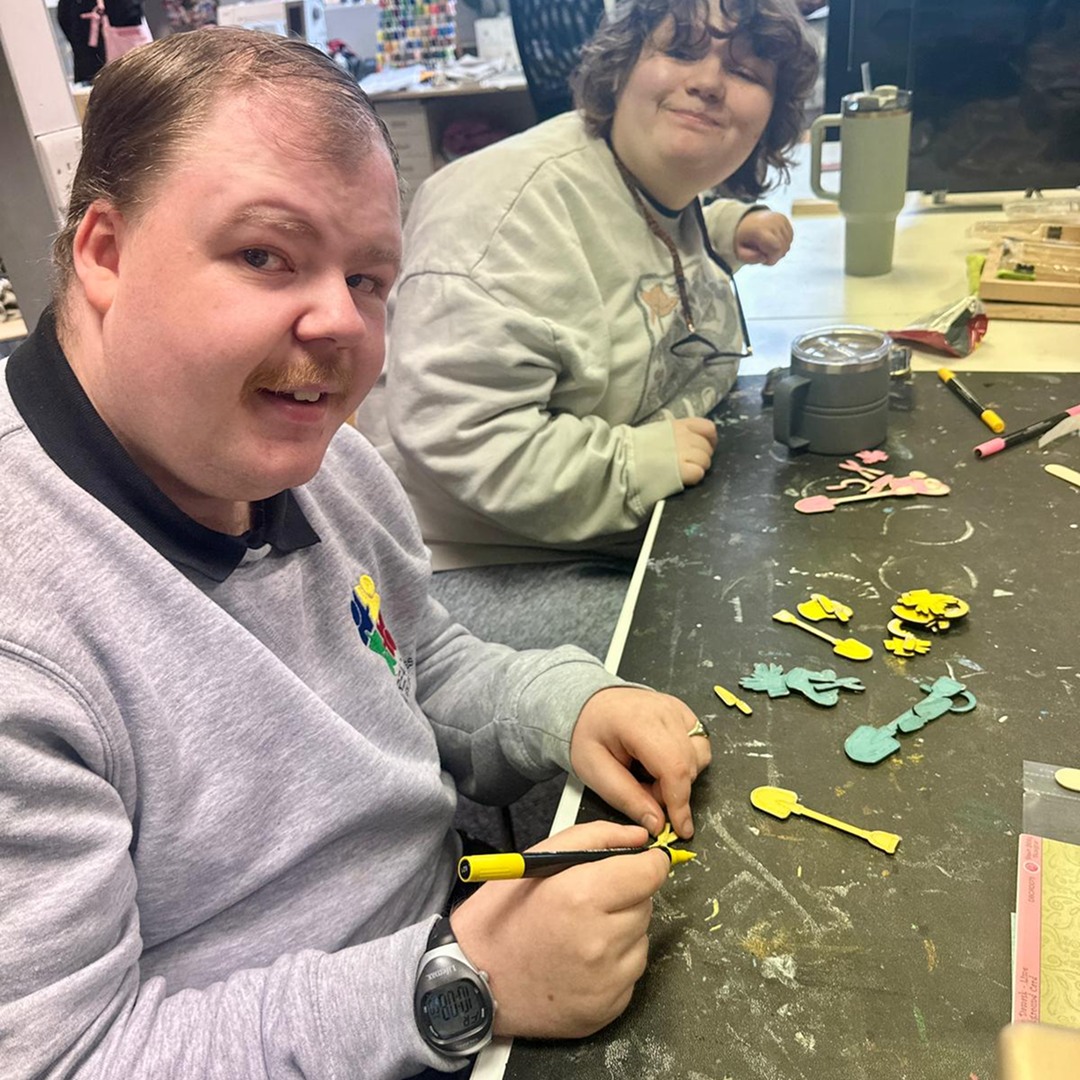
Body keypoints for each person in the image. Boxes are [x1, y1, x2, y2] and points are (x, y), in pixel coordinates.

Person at [0, 28, 713, 1079]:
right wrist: (456, 982)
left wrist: (561, 705)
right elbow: (67, 1060)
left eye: (371, 277)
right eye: (263, 255)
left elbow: (413, 661)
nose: (339, 321)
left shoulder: (302, 451)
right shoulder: (29, 633)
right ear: (104, 252)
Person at [357, 0, 819, 659]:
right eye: (682, 51)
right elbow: (463, 435)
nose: (711, 82)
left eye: (746, 71)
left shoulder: (656, 183)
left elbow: (636, 252)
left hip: (609, 531)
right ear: (620, 68)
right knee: (720, 654)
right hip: (475, 568)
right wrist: (637, 463)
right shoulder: (504, 209)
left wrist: (720, 228)